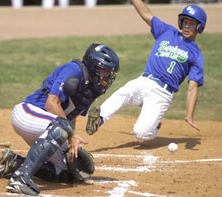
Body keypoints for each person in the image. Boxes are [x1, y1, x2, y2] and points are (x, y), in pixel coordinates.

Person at [0, 43, 120, 195]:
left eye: (109, 73)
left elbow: (70, 116)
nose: (107, 76)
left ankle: (13, 163)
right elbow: (51, 104)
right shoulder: (73, 70)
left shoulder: (92, 89)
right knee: (63, 128)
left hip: (49, 125)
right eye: (104, 70)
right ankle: (20, 179)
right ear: (93, 65)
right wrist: (71, 134)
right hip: (27, 113)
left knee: (68, 173)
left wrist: (71, 139)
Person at [86, 1, 206, 141]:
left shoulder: (196, 54)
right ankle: (99, 119)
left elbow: (192, 87)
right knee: (123, 92)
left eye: (192, 23)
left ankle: (154, 126)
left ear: (200, 27)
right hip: (145, 80)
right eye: (185, 22)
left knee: (141, 133)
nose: (187, 26)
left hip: (162, 93)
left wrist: (190, 115)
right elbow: (146, 15)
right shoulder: (167, 32)